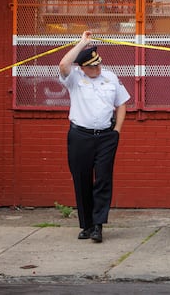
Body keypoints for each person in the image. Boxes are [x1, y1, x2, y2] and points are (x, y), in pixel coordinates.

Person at [59, 31, 130, 243]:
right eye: (92, 67)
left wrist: (117, 130)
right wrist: (82, 43)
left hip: (106, 136)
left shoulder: (110, 77)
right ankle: (87, 225)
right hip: (80, 136)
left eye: (98, 65)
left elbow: (122, 103)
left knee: (103, 179)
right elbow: (64, 64)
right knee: (81, 180)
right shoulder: (74, 78)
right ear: (82, 68)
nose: (97, 69)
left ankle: (98, 225)